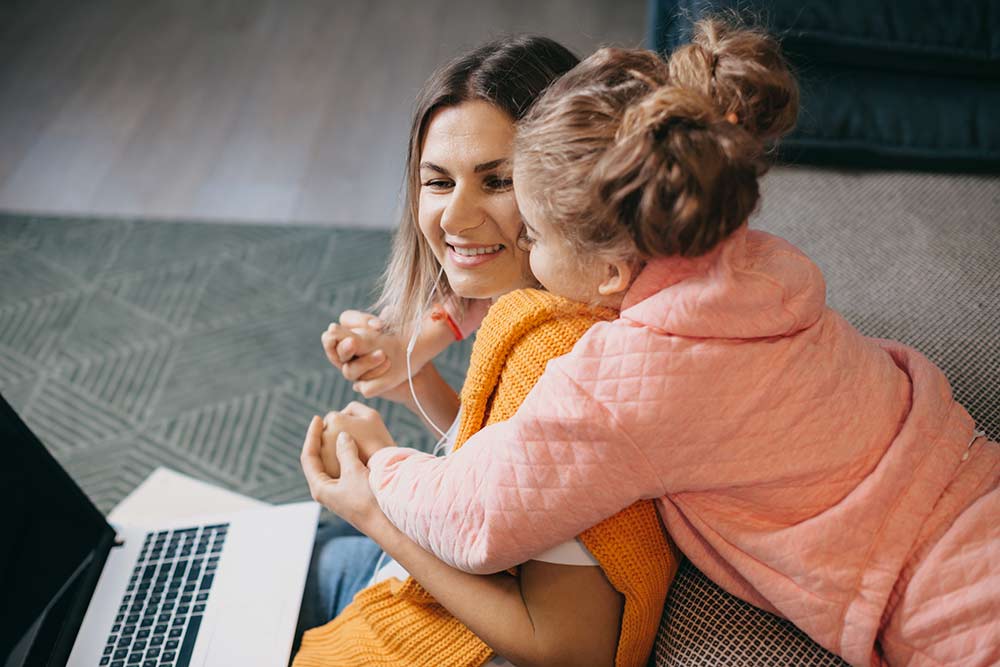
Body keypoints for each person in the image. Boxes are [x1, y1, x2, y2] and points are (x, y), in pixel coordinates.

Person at [322, 18, 1000, 667]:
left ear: (610, 268)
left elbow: (474, 511)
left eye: (532, 227)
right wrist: (433, 343)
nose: (513, 237)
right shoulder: (751, 262)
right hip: (972, 487)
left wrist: (379, 470)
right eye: (438, 180)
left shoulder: (612, 381)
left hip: (947, 604)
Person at [295, 34, 677, 667]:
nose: (454, 218)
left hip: (435, 626)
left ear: (571, 180)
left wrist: (375, 501)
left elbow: (571, 649)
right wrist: (408, 388)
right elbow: (510, 475)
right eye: (438, 182)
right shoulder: (541, 311)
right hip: (415, 582)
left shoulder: (565, 363)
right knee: (278, 552)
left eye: (497, 180)